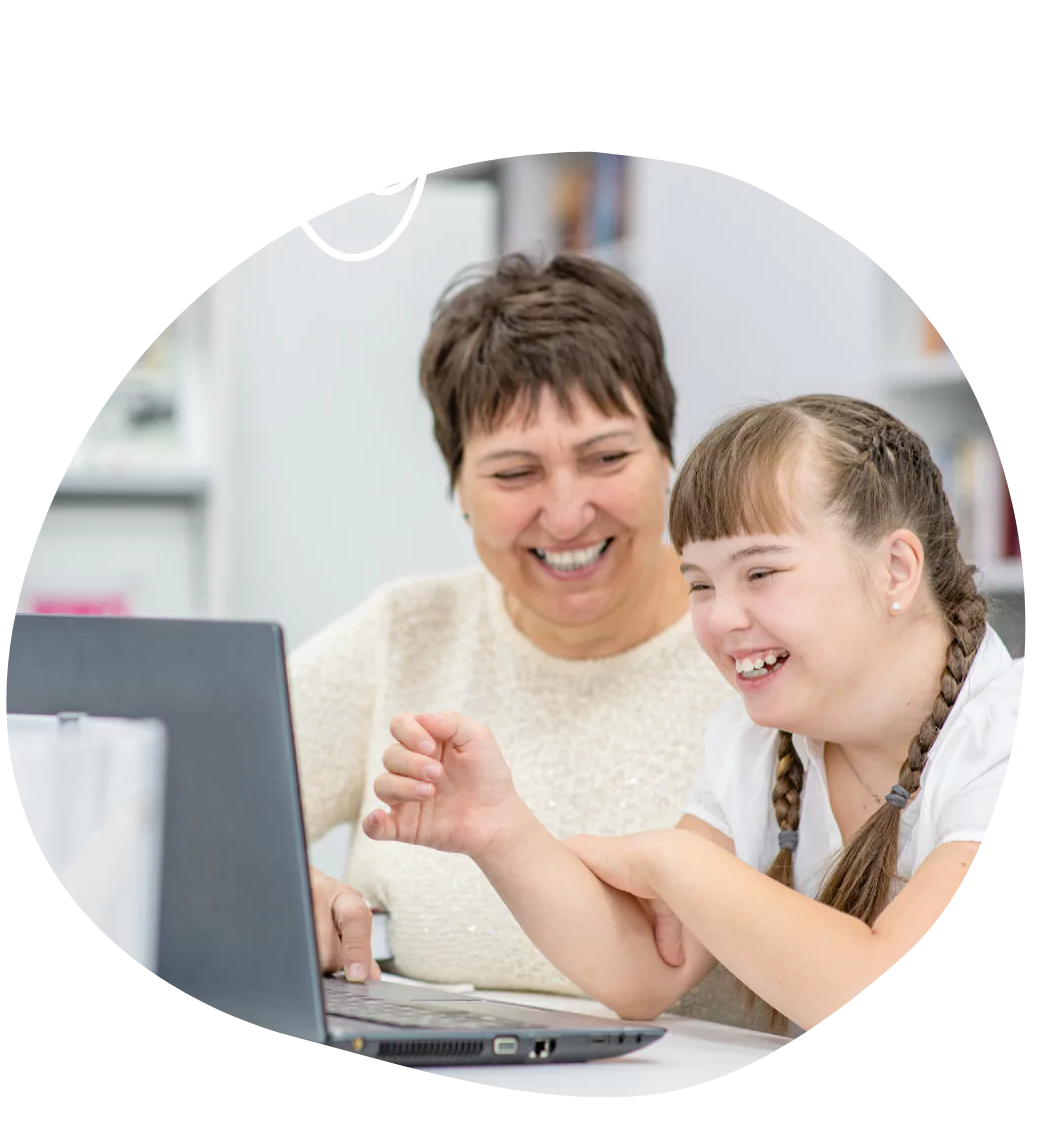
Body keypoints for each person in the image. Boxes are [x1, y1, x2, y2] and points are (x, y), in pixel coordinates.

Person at [364, 393, 1023, 1033]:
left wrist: (674, 861)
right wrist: (498, 830)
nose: (719, 619)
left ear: (896, 569)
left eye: (759, 573)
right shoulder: (756, 742)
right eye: (700, 583)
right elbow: (648, 969)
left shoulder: (1004, 731)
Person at [290, 252, 750, 1024]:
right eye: (513, 474)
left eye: (606, 457)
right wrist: (276, 886)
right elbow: (177, 808)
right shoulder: (402, 633)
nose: (566, 515)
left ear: (667, 455)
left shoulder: (757, 649)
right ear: (458, 490)